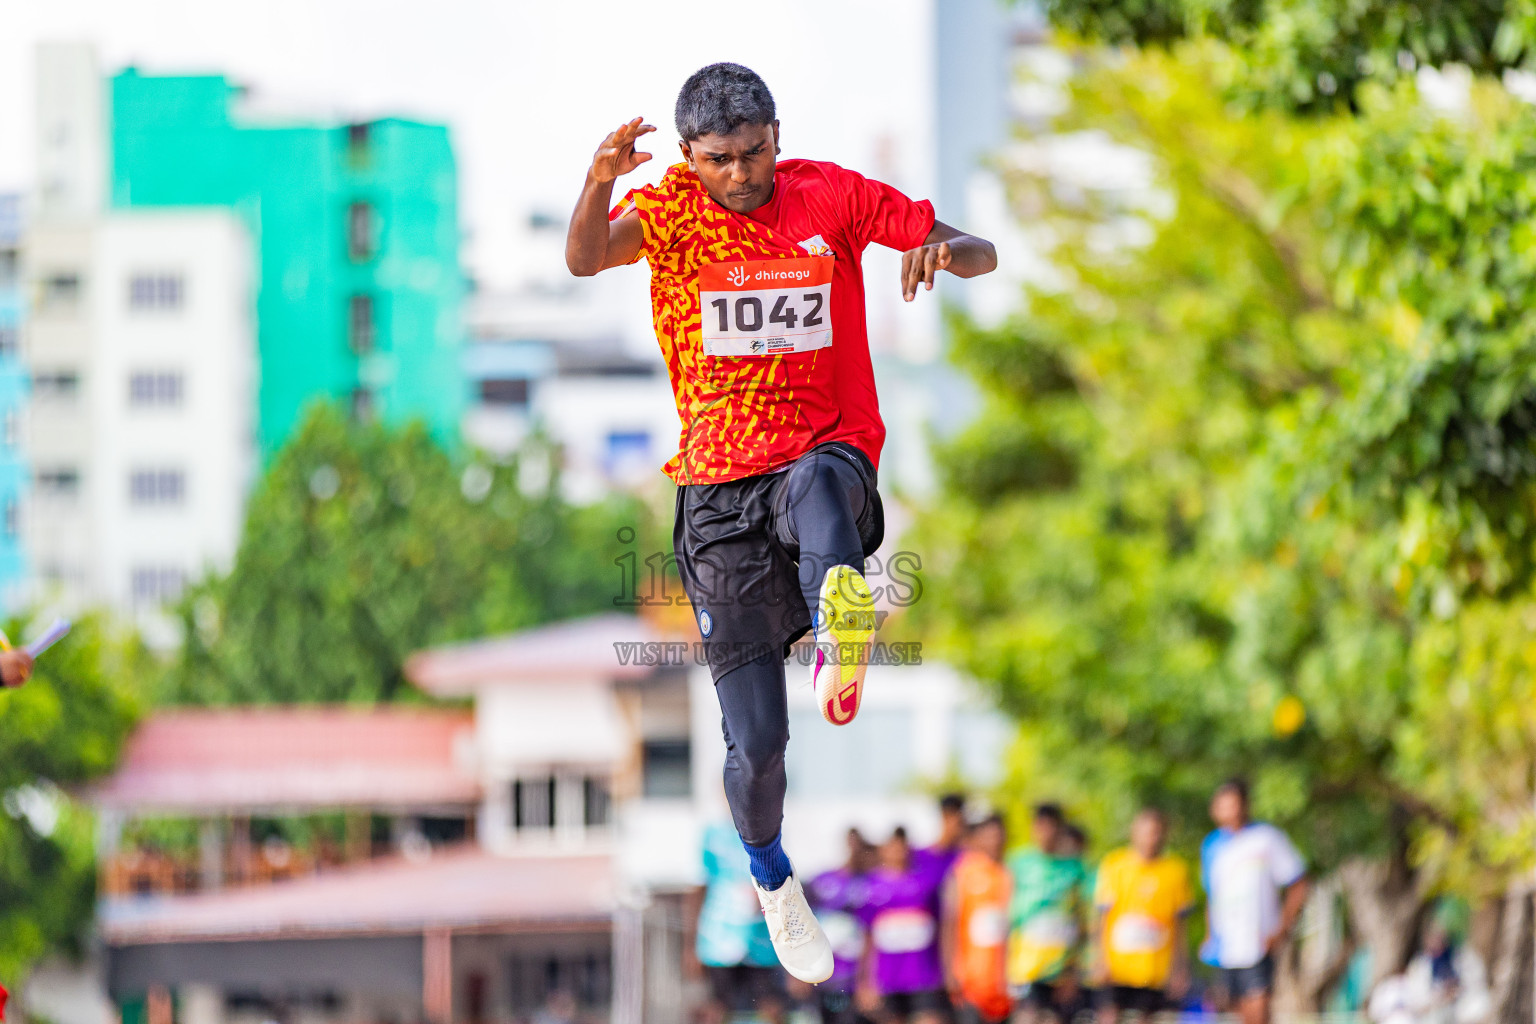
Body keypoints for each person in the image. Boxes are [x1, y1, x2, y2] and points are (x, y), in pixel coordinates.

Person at [565, 62, 997, 983]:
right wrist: (601, 178)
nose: (741, 175)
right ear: (690, 156)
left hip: (825, 452)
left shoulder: (827, 195)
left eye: (754, 152)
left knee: (816, 486)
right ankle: (772, 875)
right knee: (757, 747)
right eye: (720, 160)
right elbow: (584, 257)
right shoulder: (672, 210)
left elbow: (979, 248)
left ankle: (844, 620)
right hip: (716, 496)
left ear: (775, 134)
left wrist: (941, 253)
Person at [1200, 779, 1310, 1024]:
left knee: (1258, 1007)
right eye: (1224, 806)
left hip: (1257, 942)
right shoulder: (1211, 846)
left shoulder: (1267, 838)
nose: (1231, 812)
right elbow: (1211, 895)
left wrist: (1281, 928)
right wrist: (1209, 935)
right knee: (1236, 1010)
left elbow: (1298, 883)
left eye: (1235, 805)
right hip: (1225, 946)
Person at [1091, 809, 1194, 1024]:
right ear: (1134, 832)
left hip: (1153, 968)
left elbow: (1180, 925)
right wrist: (1099, 958)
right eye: (1146, 832)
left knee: (1145, 1018)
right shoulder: (1114, 865)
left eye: (1156, 832)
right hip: (1117, 966)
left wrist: (1181, 968)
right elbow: (1100, 916)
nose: (1151, 838)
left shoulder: (1176, 871)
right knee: (1109, 1016)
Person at [689, 820, 788, 1024]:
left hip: (763, 940)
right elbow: (699, 887)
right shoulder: (713, 834)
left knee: (771, 1007)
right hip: (719, 940)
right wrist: (691, 945)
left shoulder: (770, 832)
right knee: (716, 1009)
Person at [858, 828, 952, 1024]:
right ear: (883, 850)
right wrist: (865, 981)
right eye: (892, 846)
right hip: (888, 978)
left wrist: (947, 969)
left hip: (923, 976)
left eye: (901, 846)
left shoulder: (926, 883)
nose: (897, 851)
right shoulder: (871, 887)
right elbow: (867, 937)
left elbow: (943, 928)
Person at [1005, 804, 1088, 1024]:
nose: (1046, 833)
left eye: (1052, 827)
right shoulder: (1017, 864)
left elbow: (1082, 923)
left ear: (1060, 830)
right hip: (1025, 968)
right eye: (1041, 826)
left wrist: (1073, 971)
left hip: (1061, 971)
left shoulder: (1074, 869)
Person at [942, 815, 1012, 1024]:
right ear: (978, 839)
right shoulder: (962, 874)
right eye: (989, 835)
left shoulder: (1009, 873)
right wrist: (950, 972)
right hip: (970, 981)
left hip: (1004, 981)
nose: (995, 840)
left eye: (999, 835)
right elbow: (949, 925)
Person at [809, 829, 880, 1024]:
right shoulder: (822, 880)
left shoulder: (872, 884)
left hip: (855, 978)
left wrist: (867, 980)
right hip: (823, 977)